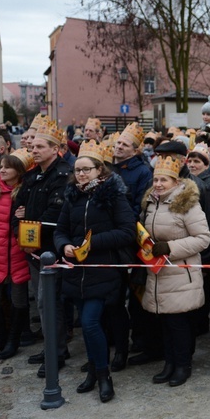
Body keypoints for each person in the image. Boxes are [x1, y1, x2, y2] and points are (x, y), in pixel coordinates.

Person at [54, 141, 137, 402]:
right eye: (77, 170)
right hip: (77, 272)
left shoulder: (113, 195)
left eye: (86, 170)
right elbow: (60, 230)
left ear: (100, 171)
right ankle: (92, 370)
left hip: (104, 270)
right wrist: (64, 245)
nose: (80, 174)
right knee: (90, 325)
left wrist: (92, 244)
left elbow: (127, 231)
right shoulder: (72, 196)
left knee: (90, 322)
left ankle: (103, 375)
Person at [140, 156, 210, 387]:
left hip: (181, 273)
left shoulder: (187, 203)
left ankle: (183, 365)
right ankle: (169, 363)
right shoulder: (151, 202)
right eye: (156, 179)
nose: (158, 184)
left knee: (178, 324)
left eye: (164, 180)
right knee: (164, 323)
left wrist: (170, 248)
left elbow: (203, 238)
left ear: (176, 181)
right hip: (159, 273)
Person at [12, 119, 71, 378]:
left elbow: (53, 216)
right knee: (43, 303)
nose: (33, 150)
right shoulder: (32, 175)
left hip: (50, 250)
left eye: (39, 146)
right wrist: (22, 232)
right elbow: (18, 209)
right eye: (32, 146)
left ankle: (56, 352)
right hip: (33, 250)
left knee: (51, 303)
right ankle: (52, 347)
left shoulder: (63, 175)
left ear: (54, 148)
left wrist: (27, 222)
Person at [0, 150, 32, 361]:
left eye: (7, 167)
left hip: (18, 255)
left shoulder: (26, 192)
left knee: (19, 301)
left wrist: (26, 215)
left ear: (19, 171)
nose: (2, 170)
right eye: (1, 166)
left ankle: (13, 340)